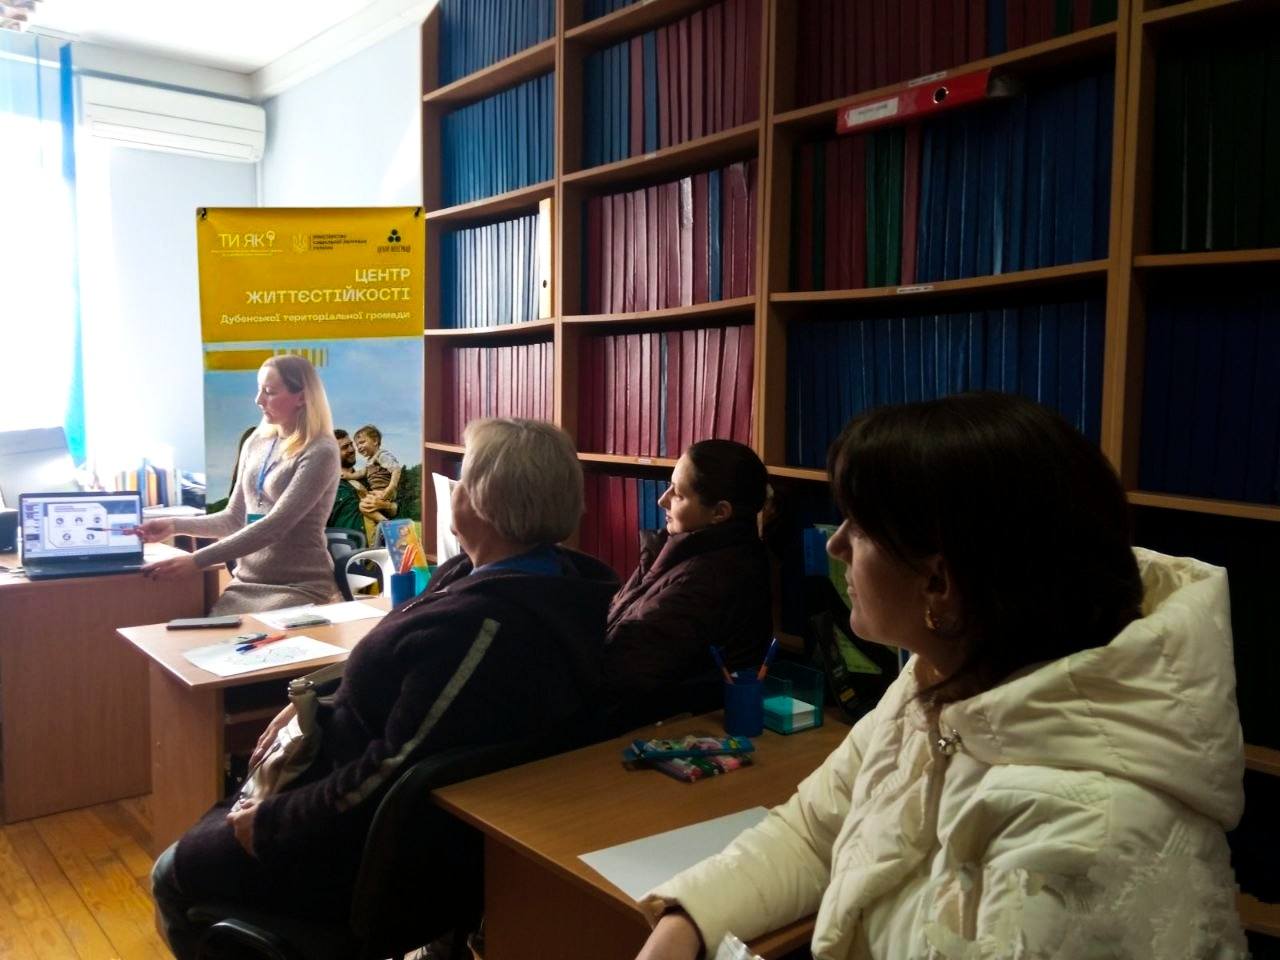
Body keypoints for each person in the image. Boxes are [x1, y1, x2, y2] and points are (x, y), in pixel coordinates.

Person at [634, 393, 1247, 960]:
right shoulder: (942, 680)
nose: (836, 546)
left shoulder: (1087, 831)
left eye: (858, 527)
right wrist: (686, 921)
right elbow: (814, 833)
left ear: (938, 582)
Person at [151, 418, 619, 959]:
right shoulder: (515, 579)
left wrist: (276, 823)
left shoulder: (483, 628)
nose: (453, 490)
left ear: (484, 502)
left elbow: (396, 767)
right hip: (356, 803)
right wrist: (315, 697)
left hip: (355, 847)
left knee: (171, 874)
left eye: (461, 478)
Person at [131, 355, 340, 614]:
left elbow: (275, 527)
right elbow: (233, 518)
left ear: (302, 397)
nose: (258, 400)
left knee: (251, 636)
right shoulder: (256, 442)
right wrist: (174, 525)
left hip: (300, 587)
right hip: (246, 584)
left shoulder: (321, 451)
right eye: (259, 389)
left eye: (269, 392)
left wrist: (197, 560)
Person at [603, 439, 772, 734]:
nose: (662, 500)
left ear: (719, 513)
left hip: (652, 725)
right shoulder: (679, 552)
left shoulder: (710, 577)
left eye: (678, 494)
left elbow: (626, 667)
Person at [342, 423, 402, 541]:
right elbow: (361, 473)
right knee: (367, 505)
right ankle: (384, 523)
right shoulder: (369, 461)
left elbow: (396, 469)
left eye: (362, 442)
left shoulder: (382, 455)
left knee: (363, 505)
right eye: (357, 445)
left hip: (385, 490)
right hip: (378, 492)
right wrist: (349, 476)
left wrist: (391, 487)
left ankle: (386, 524)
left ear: (375, 441)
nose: (358, 447)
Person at [327, 428, 364, 538]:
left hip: (375, 547)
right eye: (345, 447)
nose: (352, 449)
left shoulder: (368, 480)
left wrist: (389, 506)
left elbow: (393, 511)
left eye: (351, 444)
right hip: (345, 548)